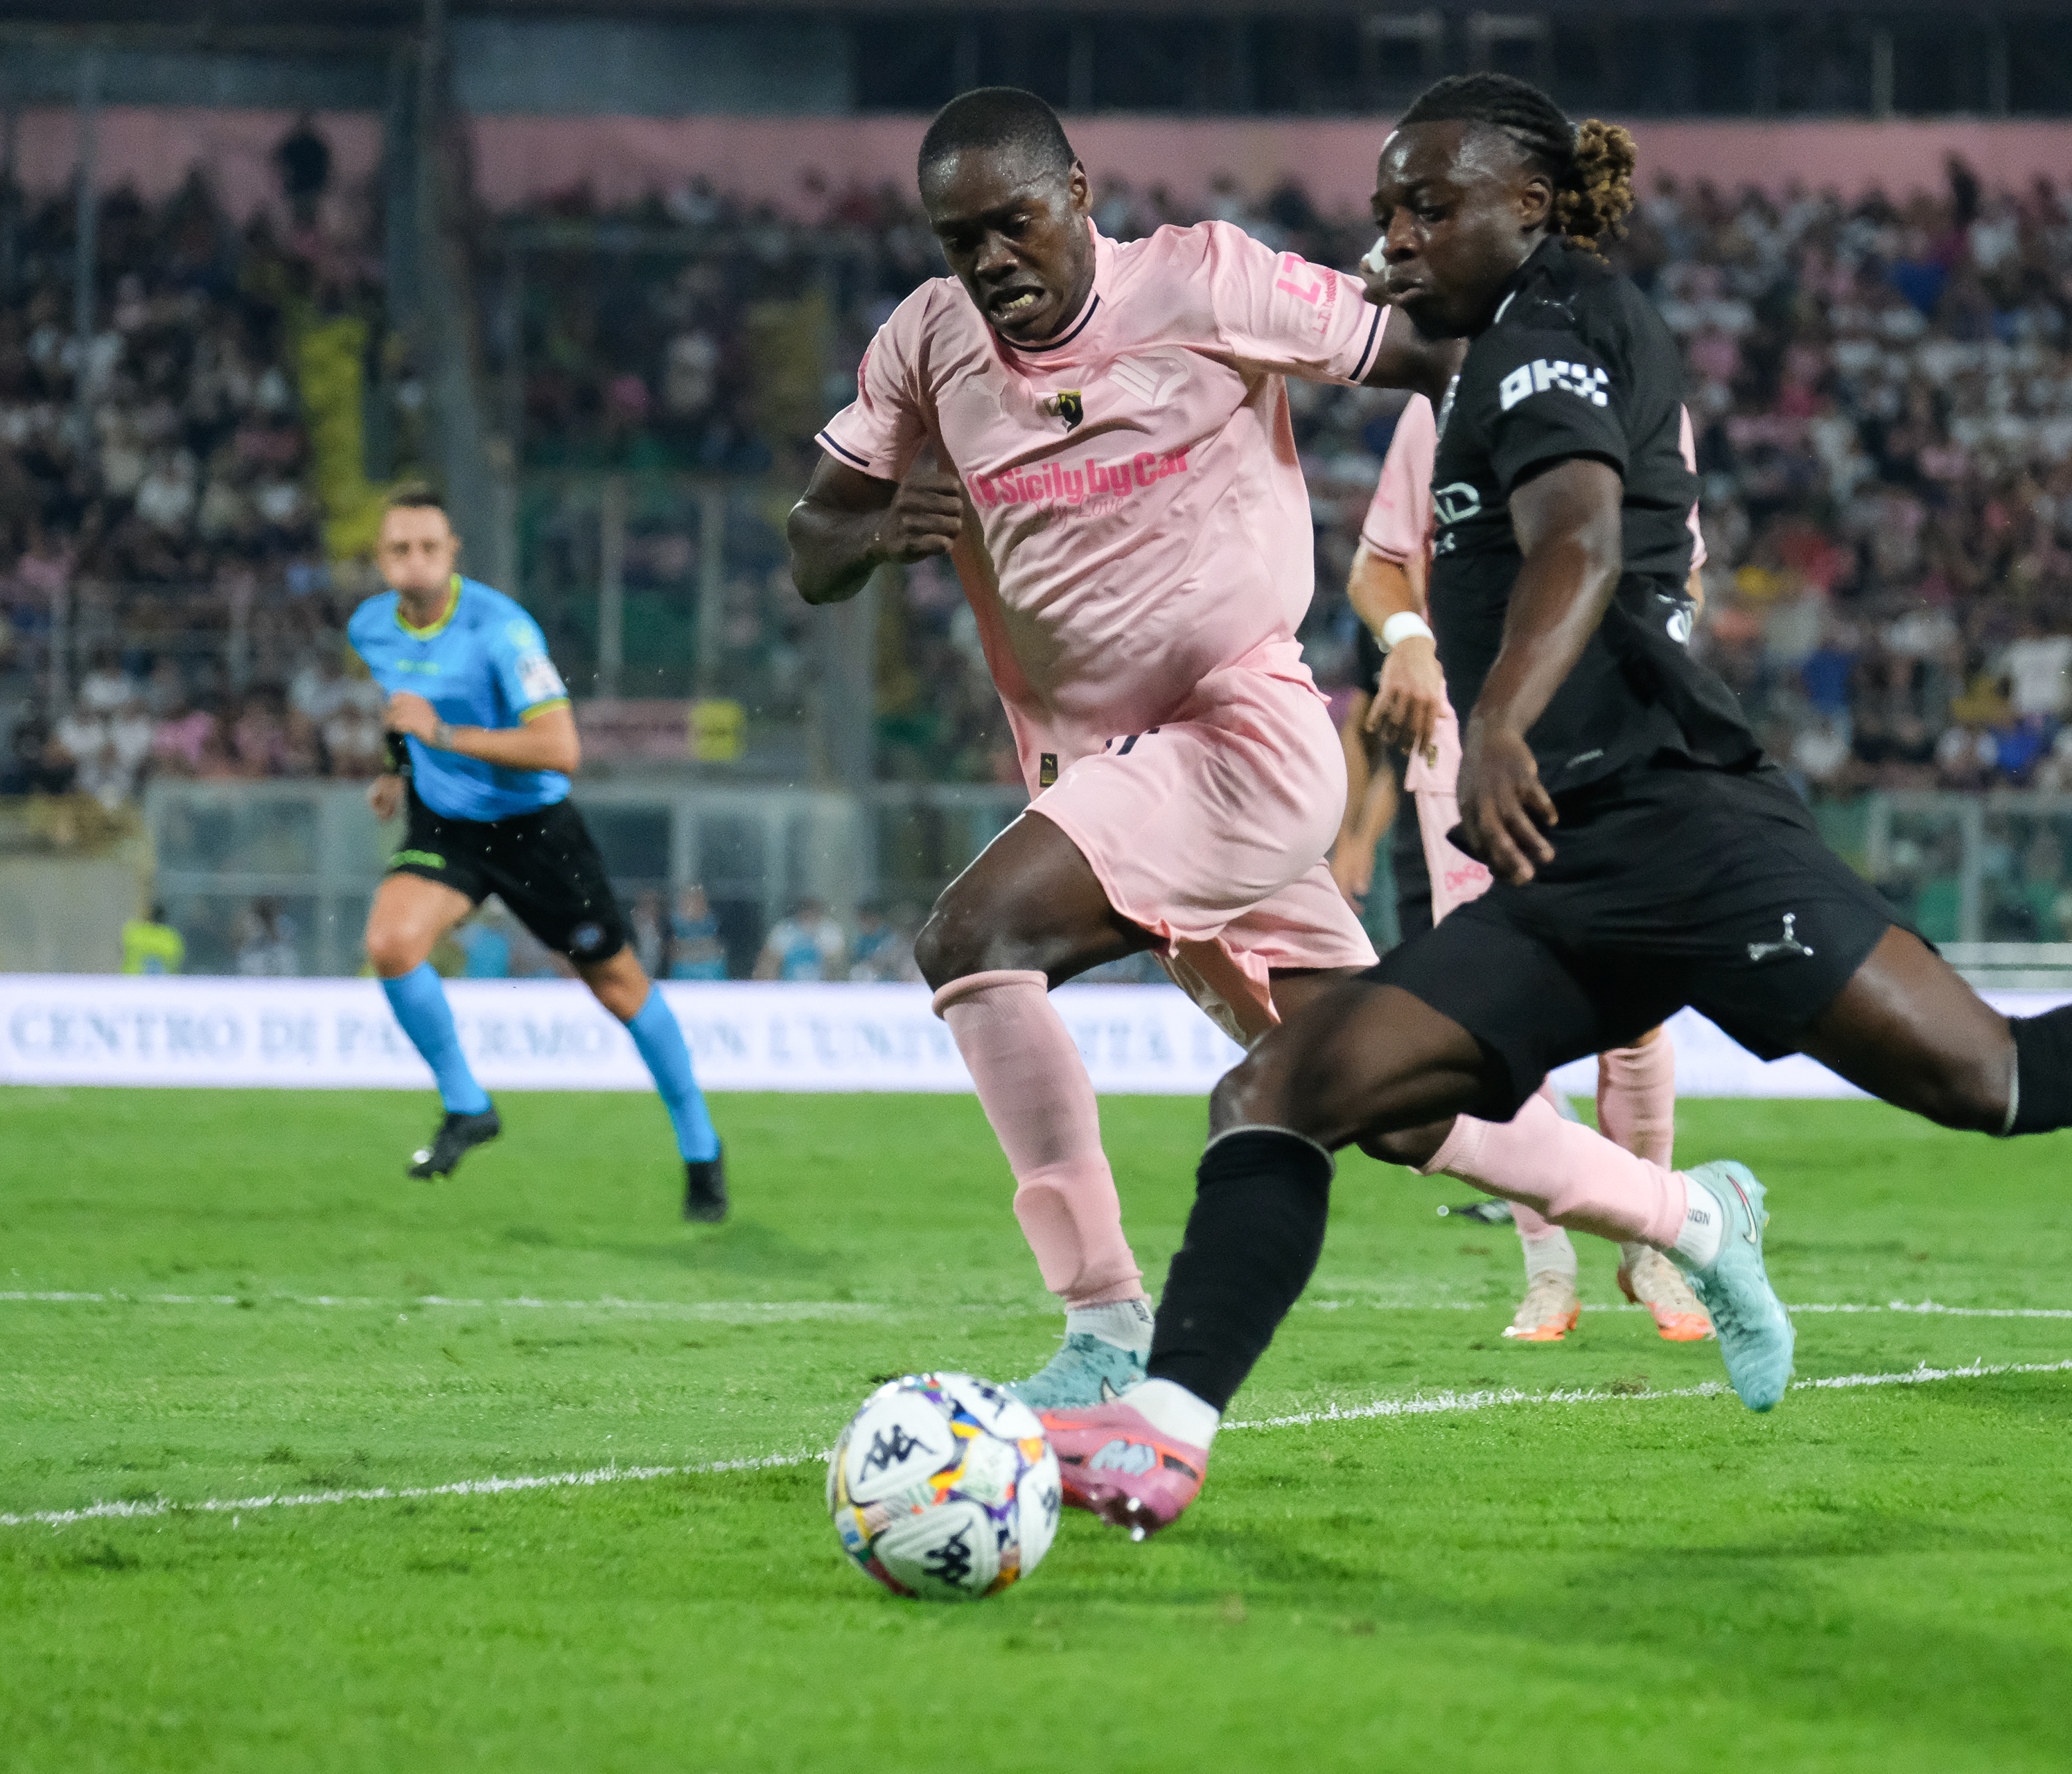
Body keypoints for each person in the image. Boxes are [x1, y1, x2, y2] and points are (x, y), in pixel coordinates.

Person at [1034, 73, 2072, 1541]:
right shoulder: (1482, 346)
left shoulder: (1559, 324)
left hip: (1687, 831)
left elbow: (1574, 537)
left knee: (1986, 1079)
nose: (1400, 232)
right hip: (1562, 863)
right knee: (1284, 1091)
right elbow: (1352, 361)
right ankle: (1167, 1431)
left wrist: (1492, 718)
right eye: (1389, 207)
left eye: (1430, 205)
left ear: (1537, 205)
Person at [784, 86, 1649, 1407]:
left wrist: (1533, 507)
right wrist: (879, 528)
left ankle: (1104, 1320)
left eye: (1013, 225)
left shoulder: (1202, 283)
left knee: (972, 941)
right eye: (961, 242)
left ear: (1078, 193)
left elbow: (1423, 354)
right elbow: (814, 544)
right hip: (1110, 782)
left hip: (1245, 739)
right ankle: (1688, 1217)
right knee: (1396, 1104)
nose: (991, 264)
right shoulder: (925, 347)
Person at [1348, 388, 1707, 1344]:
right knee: (1502, 1027)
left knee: (1632, 1018)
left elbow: (1683, 576)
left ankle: (1649, 1247)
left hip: (1605, 749)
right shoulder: (1443, 410)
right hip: (1463, 754)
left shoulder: (1642, 401)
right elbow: (1379, 569)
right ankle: (1548, 1271)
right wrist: (1412, 643)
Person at [349, 484, 728, 1221]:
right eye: (400, 549)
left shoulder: (502, 630)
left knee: (619, 988)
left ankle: (701, 1148)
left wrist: (442, 739)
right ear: (380, 558)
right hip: (446, 826)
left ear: (452, 553)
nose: (415, 562)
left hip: (535, 832)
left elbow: (561, 749)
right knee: (390, 944)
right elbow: (407, 708)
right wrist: (398, 768)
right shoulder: (371, 628)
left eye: (429, 547)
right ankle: (467, 1105)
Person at [755, 896, 847, 981]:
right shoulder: (785, 930)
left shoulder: (830, 931)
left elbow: (838, 963)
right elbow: (767, 962)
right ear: (799, 913)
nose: (809, 917)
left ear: (819, 913)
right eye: (806, 913)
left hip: (822, 989)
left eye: (813, 913)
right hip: (787, 987)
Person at [121, 903, 184, 975]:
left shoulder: (135, 932)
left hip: (134, 981)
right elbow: (177, 960)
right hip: (164, 982)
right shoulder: (172, 937)